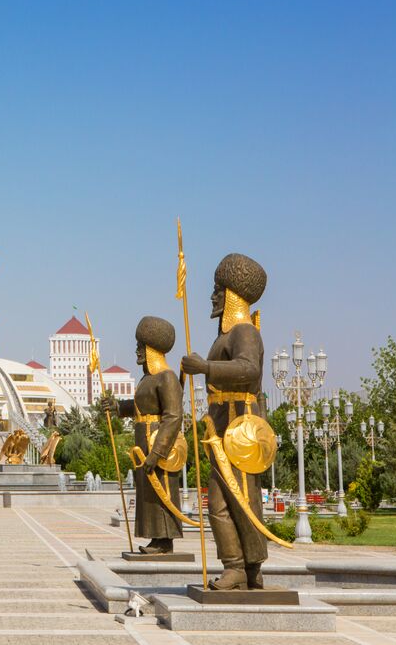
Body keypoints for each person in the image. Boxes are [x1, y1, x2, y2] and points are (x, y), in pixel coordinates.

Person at [181, 253, 270, 590]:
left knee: (238, 497)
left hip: (240, 426)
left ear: (232, 293)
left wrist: (206, 368)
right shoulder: (223, 337)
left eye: (218, 289)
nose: (212, 296)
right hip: (221, 424)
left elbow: (249, 369)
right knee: (220, 500)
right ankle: (239, 565)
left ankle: (246, 566)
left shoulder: (244, 331)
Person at [101, 316, 184, 554]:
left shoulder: (166, 377)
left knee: (162, 490)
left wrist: (158, 452)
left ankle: (165, 540)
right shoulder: (148, 379)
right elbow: (141, 406)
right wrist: (118, 407)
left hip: (159, 443)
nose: (137, 351)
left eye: (141, 346)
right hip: (143, 440)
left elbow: (173, 416)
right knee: (148, 493)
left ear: (152, 349)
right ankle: (156, 539)